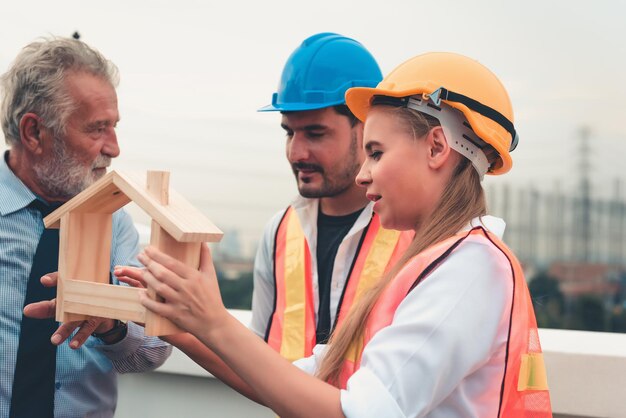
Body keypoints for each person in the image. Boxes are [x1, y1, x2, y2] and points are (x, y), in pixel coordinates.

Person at [122, 52, 553, 417]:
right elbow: (298, 378)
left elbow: (359, 411)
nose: (365, 175)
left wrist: (212, 321)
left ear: (437, 147)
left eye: (377, 153)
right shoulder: (436, 263)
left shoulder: (471, 268)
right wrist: (181, 321)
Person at [0, 37, 171, 418]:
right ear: (34, 133)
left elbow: (152, 352)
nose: (114, 148)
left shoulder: (118, 225)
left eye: (114, 127)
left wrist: (109, 325)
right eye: (97, 129)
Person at [254, 32, 413, 359]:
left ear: (367, 128)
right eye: (289, 132)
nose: (296, 152)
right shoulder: (279, 232)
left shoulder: (417, 234)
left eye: (315, 133)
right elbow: (257, 361)